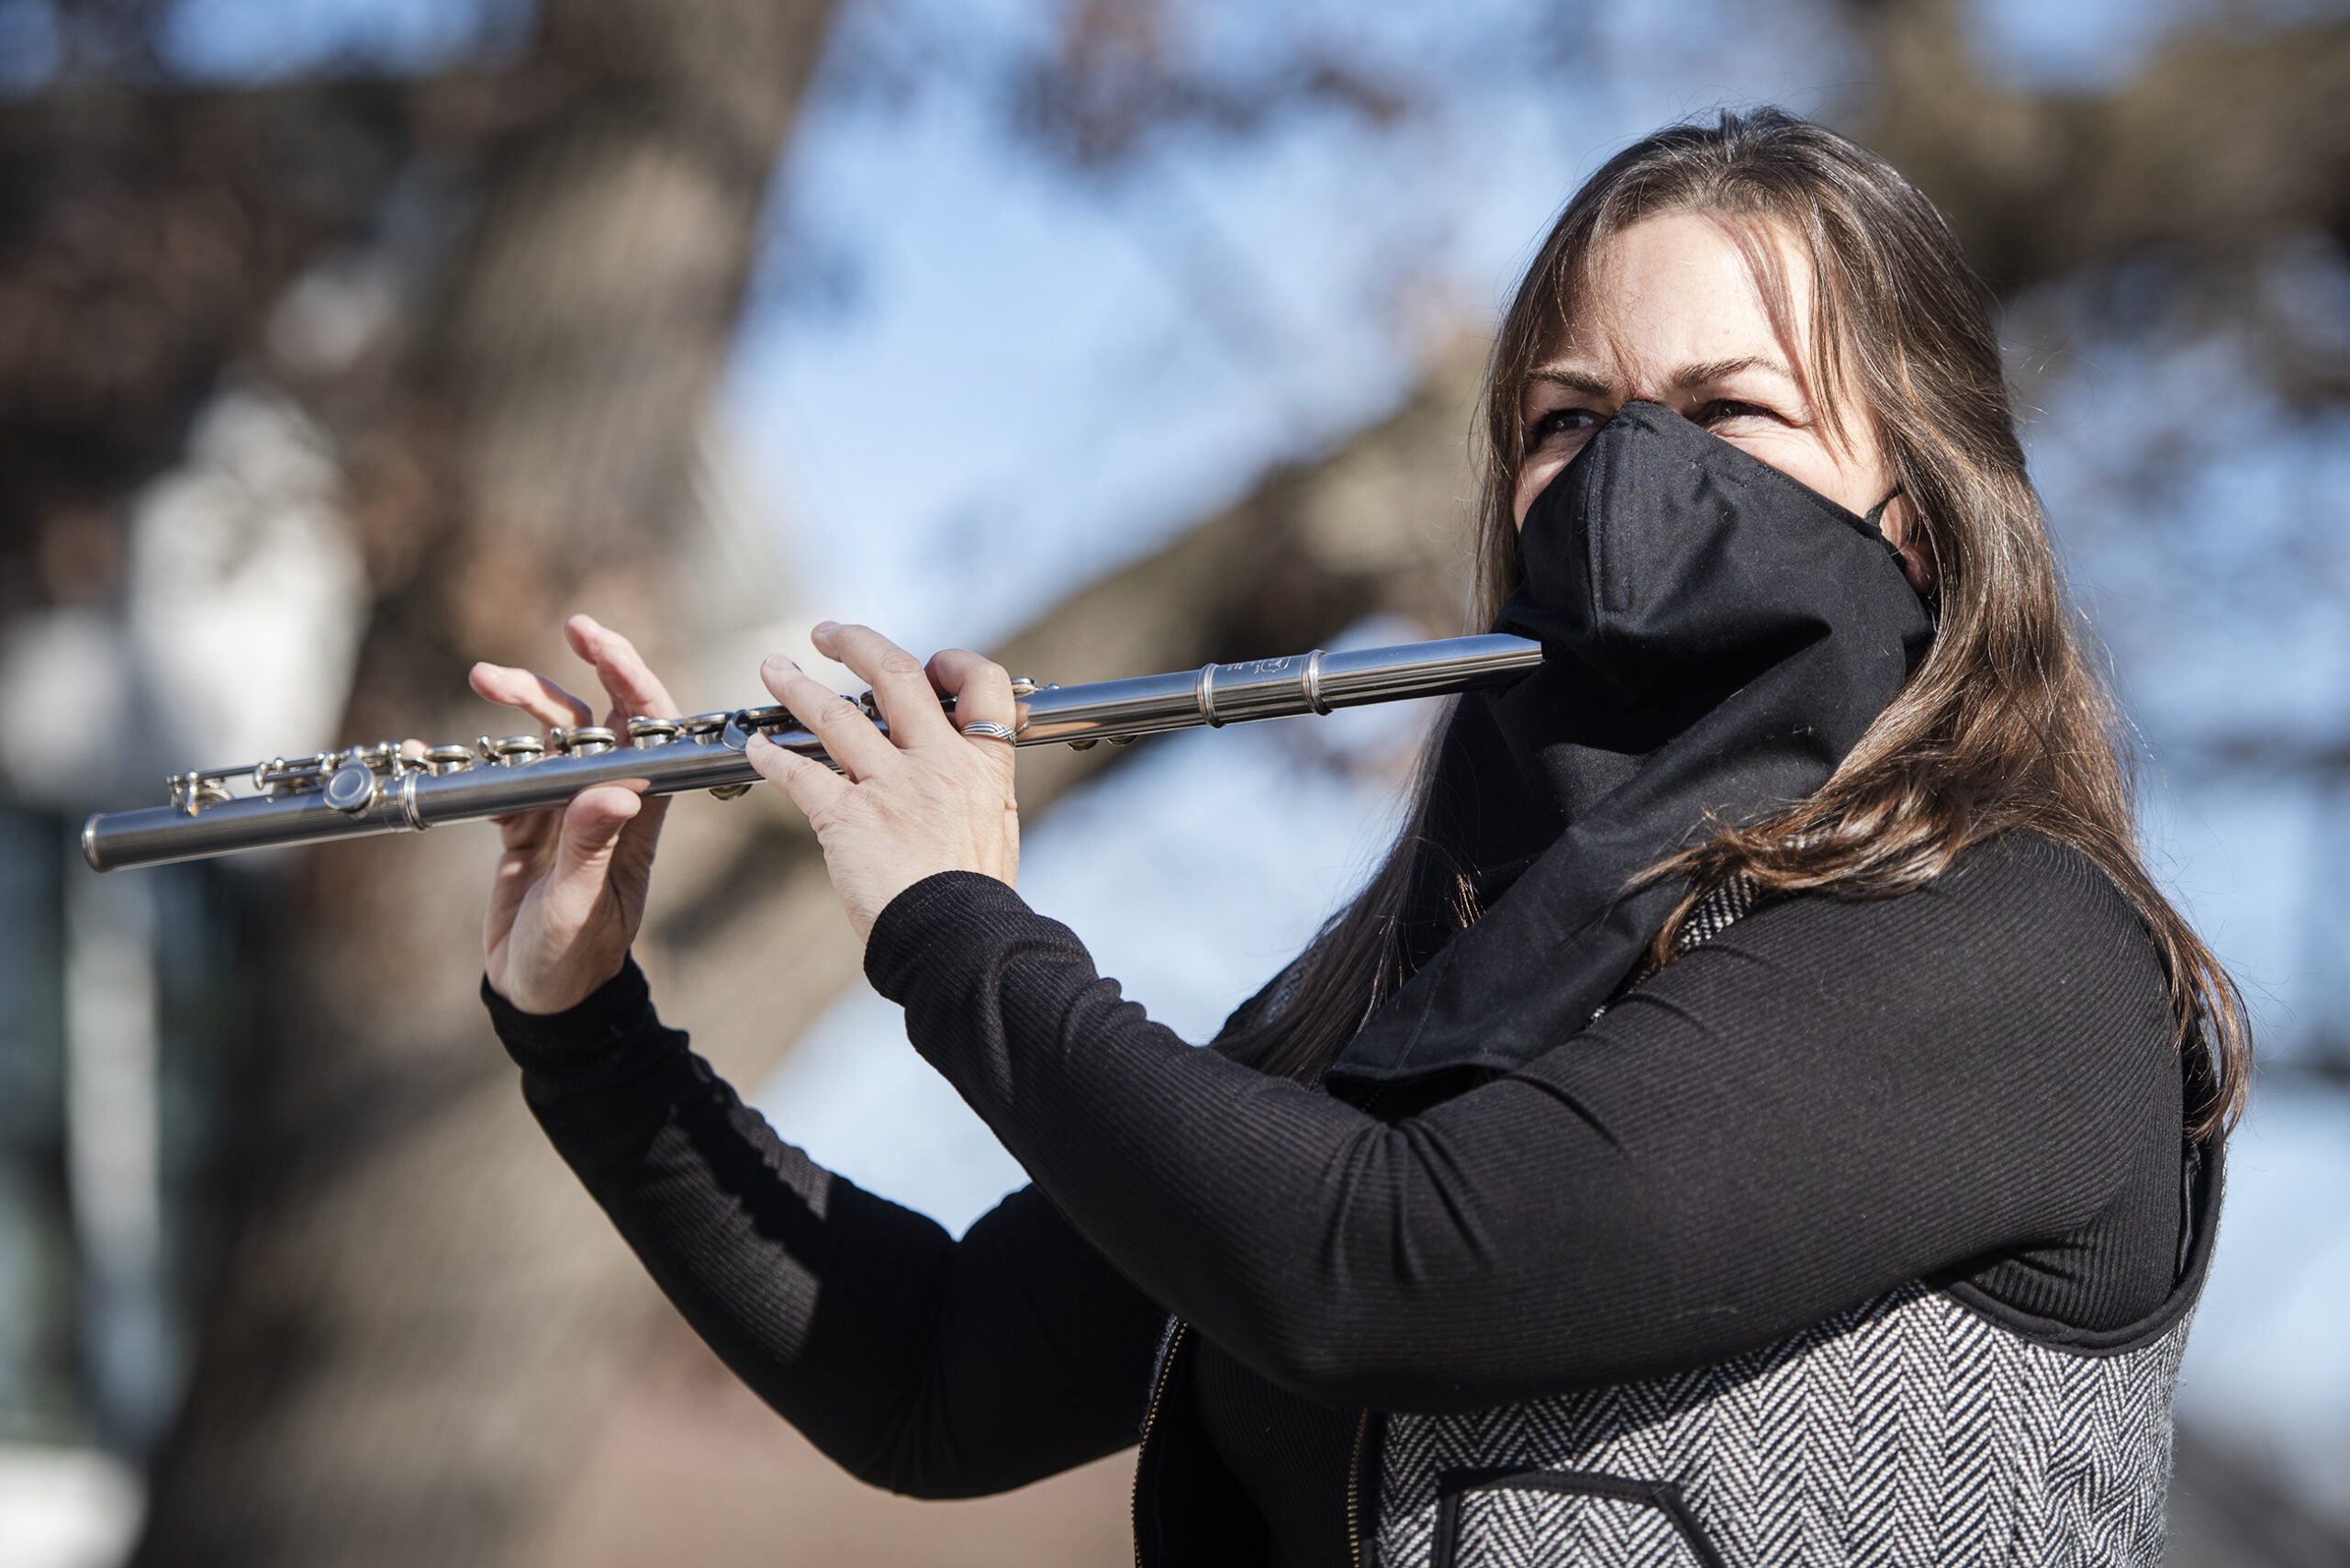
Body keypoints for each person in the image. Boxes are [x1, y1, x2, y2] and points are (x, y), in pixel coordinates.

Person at [472, 109, 2244, 1567]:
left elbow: (1382, 1267)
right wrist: (585, 1027)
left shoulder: (2018, 948)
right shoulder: (1417, 997)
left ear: (1923, 525)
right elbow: (938, 1379)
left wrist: (955, 921)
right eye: (1567, 422)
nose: (1631, 481)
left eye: (1728, 416)